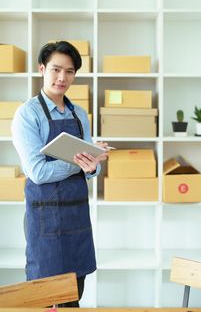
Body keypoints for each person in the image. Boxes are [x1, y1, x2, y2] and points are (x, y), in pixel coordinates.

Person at [12, 41, 108, 307]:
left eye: (69, 71)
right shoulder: (27, 115)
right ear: (42, 69)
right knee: (46, 299)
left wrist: (93, 165)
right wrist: (80, 162)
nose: (62, 77)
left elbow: (93, 168)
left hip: (77, 218)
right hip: (45, 222)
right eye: (55, 69)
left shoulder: (79, 114)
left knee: (74, 295)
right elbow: (38, 172)